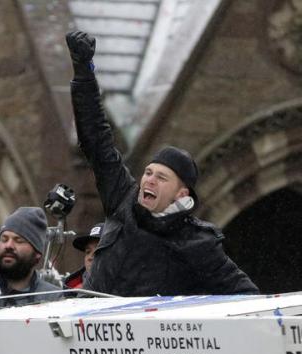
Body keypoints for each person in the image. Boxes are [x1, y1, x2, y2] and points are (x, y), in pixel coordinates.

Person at [65, 31, 259, 297]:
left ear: (181, 194)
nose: (150, 180)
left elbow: (246, 296)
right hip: (91, 320)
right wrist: (84, 72)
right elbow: (96, 139)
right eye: (148, 173)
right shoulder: (122, 199)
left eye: (161, 177)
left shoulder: (197, 242)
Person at [0, 207, 64, 307]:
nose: (8, 245)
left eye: (18, 241)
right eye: (4, 239)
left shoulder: (52, 298)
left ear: (37, 253)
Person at [64, 222, 103, 289]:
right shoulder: (73, 290)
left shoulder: (123, 291)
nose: (90, 257)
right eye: (88, 252)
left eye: (98, 250)